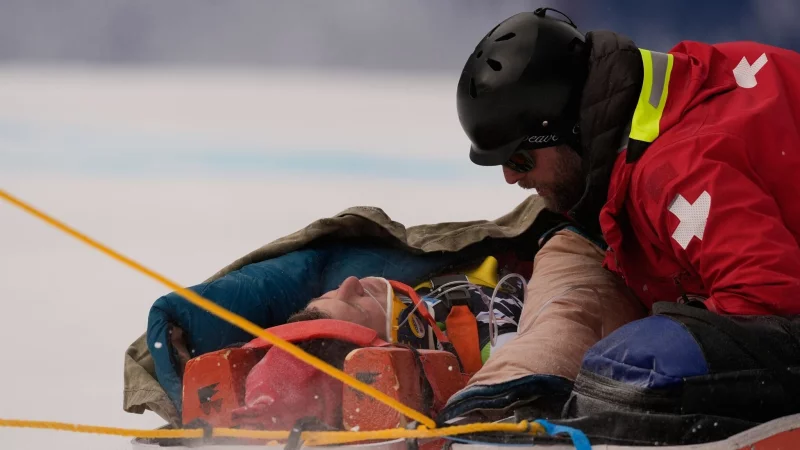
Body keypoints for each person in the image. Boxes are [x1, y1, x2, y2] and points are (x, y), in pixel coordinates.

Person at [457, 7, 800, 425]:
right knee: (570, 240)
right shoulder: (671, 90)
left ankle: (522, 394)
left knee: (640, 363)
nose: (511, 177)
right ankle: (521, 382)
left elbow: (770, 302)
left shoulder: (678, 173)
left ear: (569, 129)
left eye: (519, 157)